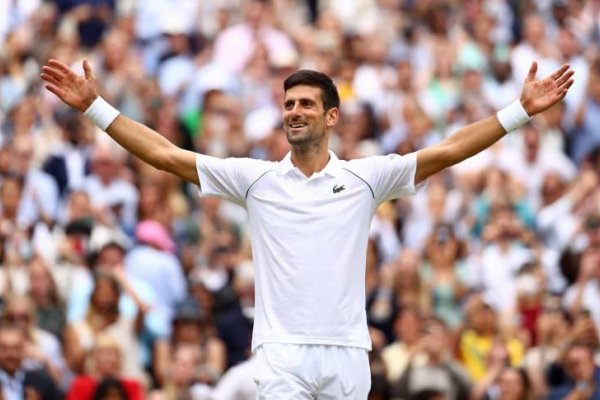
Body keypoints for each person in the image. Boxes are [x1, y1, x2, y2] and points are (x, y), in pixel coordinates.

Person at [41, 57, 573, 398]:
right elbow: (165, 155)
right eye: (288, 104)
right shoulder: (255, 181)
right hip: (281, 353)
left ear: (332, 117)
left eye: (306, 104)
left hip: (346, 353)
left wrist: (519, 112)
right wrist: (95, 107)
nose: (293, 111)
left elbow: (448, 150)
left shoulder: (368, 178)